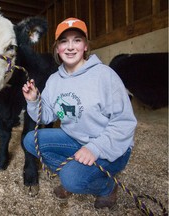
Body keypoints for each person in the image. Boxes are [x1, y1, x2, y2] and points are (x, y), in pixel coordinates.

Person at [22, 17, 137, 209]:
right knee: (29, 140)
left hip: (111, 146)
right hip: (75, 140)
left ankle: (106, 187)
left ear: (85, 46)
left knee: (71, 180)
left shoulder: (104, 75)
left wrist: (95, 148)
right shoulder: (54, 80)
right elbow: (47, 116)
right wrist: (34, 101)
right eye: (64, 41)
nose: (70, 47)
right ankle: (74, 170)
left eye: (77, 40)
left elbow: (124, 122)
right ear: (57, 48)